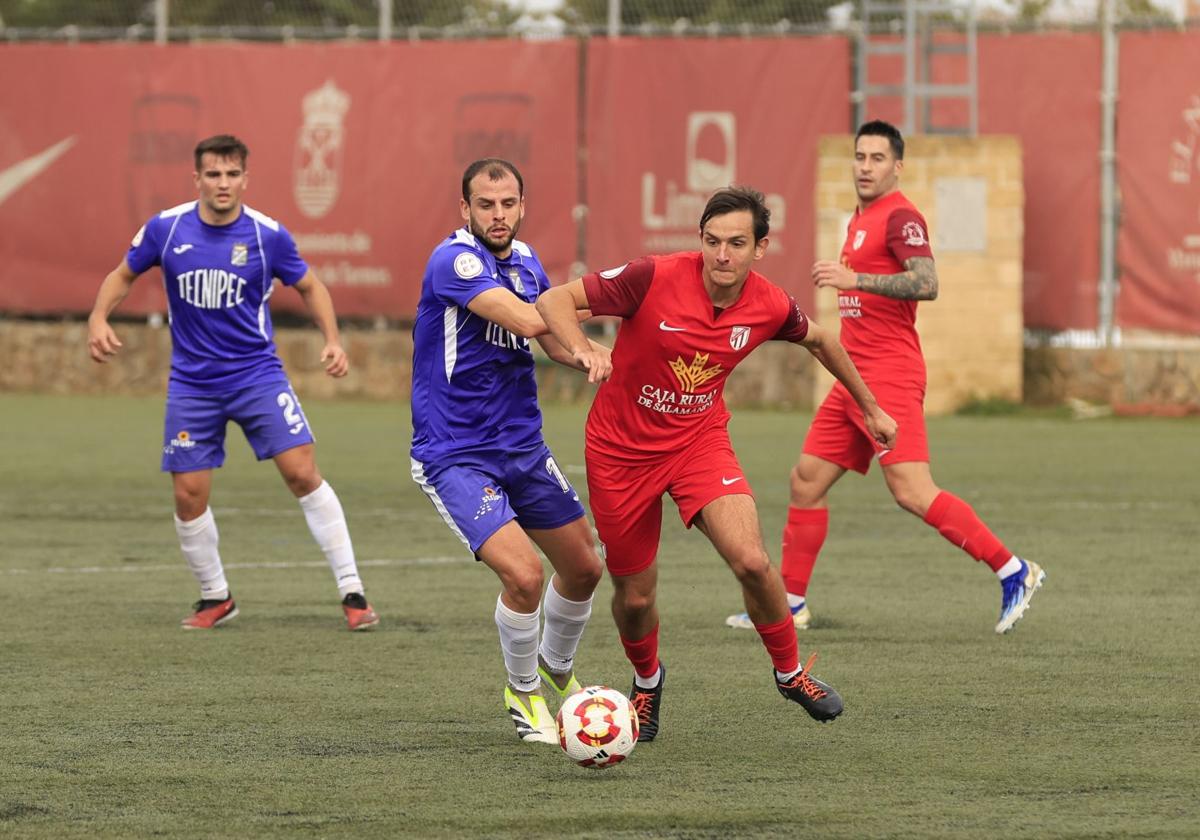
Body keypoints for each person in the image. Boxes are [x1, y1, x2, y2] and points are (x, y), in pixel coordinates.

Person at [535, 186, 897, 741]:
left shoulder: (770, 303)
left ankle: (791, 674)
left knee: (752, 560)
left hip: (698, 443)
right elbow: (555, 300)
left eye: (735, 243)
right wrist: (584, 346)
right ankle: (648, 682)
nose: (721, 255)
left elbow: (822, 341)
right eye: (711, 241)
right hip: (619, 453)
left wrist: (870, 407)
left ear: (760, 248)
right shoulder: (651, 277)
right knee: (635, 595)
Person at [726, 119, 1044, 637]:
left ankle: (1014, 571)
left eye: (877, 158)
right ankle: (792, 604)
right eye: (859, 157)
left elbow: (927, 281)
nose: (865, 166)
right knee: (806, 480)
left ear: (897, 166)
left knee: (913, 490)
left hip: (889, 375)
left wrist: (856, 279)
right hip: (853, 374)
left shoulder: (900, 217)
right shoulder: (860, 218)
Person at [87, 134, 378, 632]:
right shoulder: (166, 228)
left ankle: (353, 592)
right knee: (188, 495)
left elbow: (310, 286)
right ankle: (215, 596)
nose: (223, 183)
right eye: (213, 174)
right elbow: (121, 274)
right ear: (197, 178)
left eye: (232, 174)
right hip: (192, 385)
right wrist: (98, 318)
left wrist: (333, 339)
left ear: (246, 178)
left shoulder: (268, 236)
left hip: (257, 376)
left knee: (303, 474)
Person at [410, 158, 608, 745]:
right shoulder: (455, 260)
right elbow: (529, 318)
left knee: (585, 567)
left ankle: (557, 669)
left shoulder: (525, 259)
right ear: (464, 209)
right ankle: (523, 693)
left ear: (523, 206)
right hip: (456, 453)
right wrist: (583, 337)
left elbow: (551, 335)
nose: (498, 215)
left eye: (508, 204)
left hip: (522, 446)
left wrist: (594, 355)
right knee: (523, 575)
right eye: (486, 204)